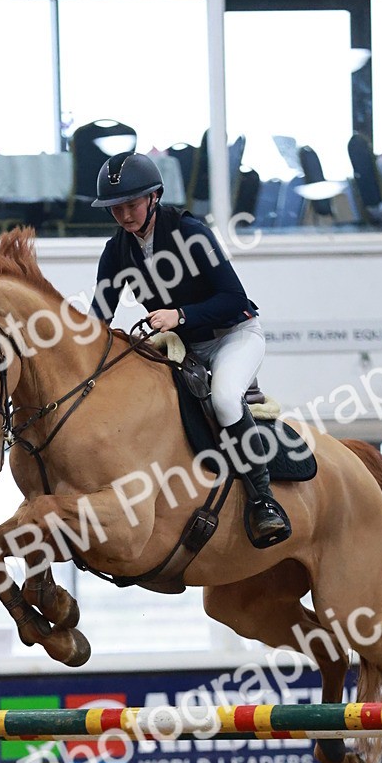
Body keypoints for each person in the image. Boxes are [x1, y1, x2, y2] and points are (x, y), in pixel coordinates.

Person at [89, 151, 290, 547]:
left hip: (234, 336)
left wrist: (179, 315)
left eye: (131, 205)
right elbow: (98, 316)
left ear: (154, 197)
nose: (125, 216)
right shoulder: (117, 251)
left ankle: (264, 502)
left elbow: (235, 298)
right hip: (184, 349)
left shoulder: (191, 232)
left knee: (227, 400)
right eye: (116, 209)